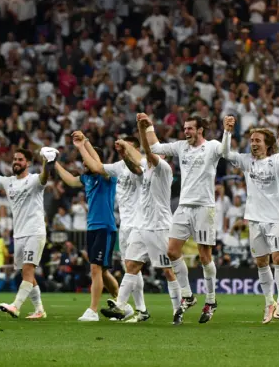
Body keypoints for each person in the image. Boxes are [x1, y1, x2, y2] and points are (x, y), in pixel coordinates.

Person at [138, 113, 229, 324]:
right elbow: (155, 148)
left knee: (205, 255)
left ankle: (211, 300)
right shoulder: (181, 147)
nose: (185, 131)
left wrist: (228, 131)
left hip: (204, 207)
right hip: (184, 206)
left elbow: (225, 151)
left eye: (189, 128)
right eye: (185, 128)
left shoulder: (213, 146)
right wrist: (148, 127)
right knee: (171, 251)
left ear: (200, 130)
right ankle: (188, 295)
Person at [100, 117, 185, 324]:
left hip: (160, 226)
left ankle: (178, 309)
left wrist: (142, 128)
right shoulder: (145, 171)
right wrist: (123, 153)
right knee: (131, 265)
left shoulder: (163, 168)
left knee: (167, 270)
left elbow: (147, 153)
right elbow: (135, 164)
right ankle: (120, 305)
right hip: (142, 225)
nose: (152, 154)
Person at [0, 137, 50, 319]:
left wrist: (46, 162)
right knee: (27, 274)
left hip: (35, 231)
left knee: (28, 271)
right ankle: (39, 310)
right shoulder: (8, 182)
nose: (16, 162)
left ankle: (16, 306)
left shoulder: (34, 180)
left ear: (28, 163)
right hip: (19, 234)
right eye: (15, 159)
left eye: (20, 159)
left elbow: (45, 177)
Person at [221, 116, 279, 324]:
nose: (254, 143)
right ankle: (269, 303)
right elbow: (224, 153)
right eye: (252, 140)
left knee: (277, 258)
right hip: (254, 219)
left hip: (275, 218)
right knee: (261, 262)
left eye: (258, 140)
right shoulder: (246, 160)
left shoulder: (276, 160)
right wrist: (227, 132)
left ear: (267, 144)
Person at [74, 135, 146, 321]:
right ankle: (139, 309)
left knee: (163, 265)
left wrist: (85, 144)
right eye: (122, 147)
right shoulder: (118, 167)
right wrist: (84, 143)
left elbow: (104, 166)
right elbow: (98, 166)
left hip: (141, 223)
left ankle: (121, 306)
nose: (124, 150)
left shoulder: (142, 166)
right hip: (124, 225)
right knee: (129, 267)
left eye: (128, 148)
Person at [53, 135, 120, 322]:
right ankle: (122, 303)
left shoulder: (107, 176)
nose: (83, 163)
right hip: (92, 228)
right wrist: (55, 164)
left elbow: (97, 163)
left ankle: (93, 310)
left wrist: (84, 144)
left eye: (86, 160)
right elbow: (71, 180)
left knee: (96, 269)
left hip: (105, 227)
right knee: (103, 272)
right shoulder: (87, 179)